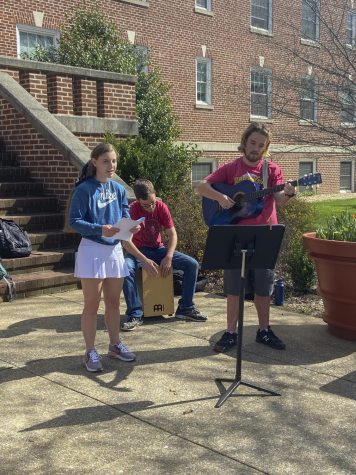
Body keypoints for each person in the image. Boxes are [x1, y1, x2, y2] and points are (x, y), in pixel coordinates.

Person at [197, 122, 296, 352]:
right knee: (233, 288)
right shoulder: (232, 168)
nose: (256, 148)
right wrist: (221, 197)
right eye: (253, 143)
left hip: (265, 233)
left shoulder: (271, 170)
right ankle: (231, 333)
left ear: (265, 148)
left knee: (264, 287)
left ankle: (263, 330)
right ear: (245, 142)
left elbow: (279, 199)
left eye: (261, 145)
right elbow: (202, 186)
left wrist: (289, 193)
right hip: (236, 234)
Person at [68, 143, 158, 372]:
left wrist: (132, 228)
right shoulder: (84, 189)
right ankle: (89, 351)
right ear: (95, 162)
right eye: (106, 161)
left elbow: (125, 215)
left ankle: (115, 345)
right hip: (92, 249)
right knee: (91, 304)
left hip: (114, 250)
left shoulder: (118, 189)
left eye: (114, 161)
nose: (111, 165)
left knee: (114, 303)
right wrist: (100, 229)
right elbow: (74, 222)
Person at [122, 179, 207, 331]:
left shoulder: (161, 207)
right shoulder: (131, 210)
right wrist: (144, 260)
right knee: (125, 269)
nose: (150, 207)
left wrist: (168, 256)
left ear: (155, 195)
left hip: (159, 250)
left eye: (153, 202)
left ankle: (186, 308)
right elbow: (126, 243)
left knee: (192, 264)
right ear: (137, 200)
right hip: (136, 251)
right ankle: (135, 313)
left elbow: (172, 235)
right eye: (145, 205)